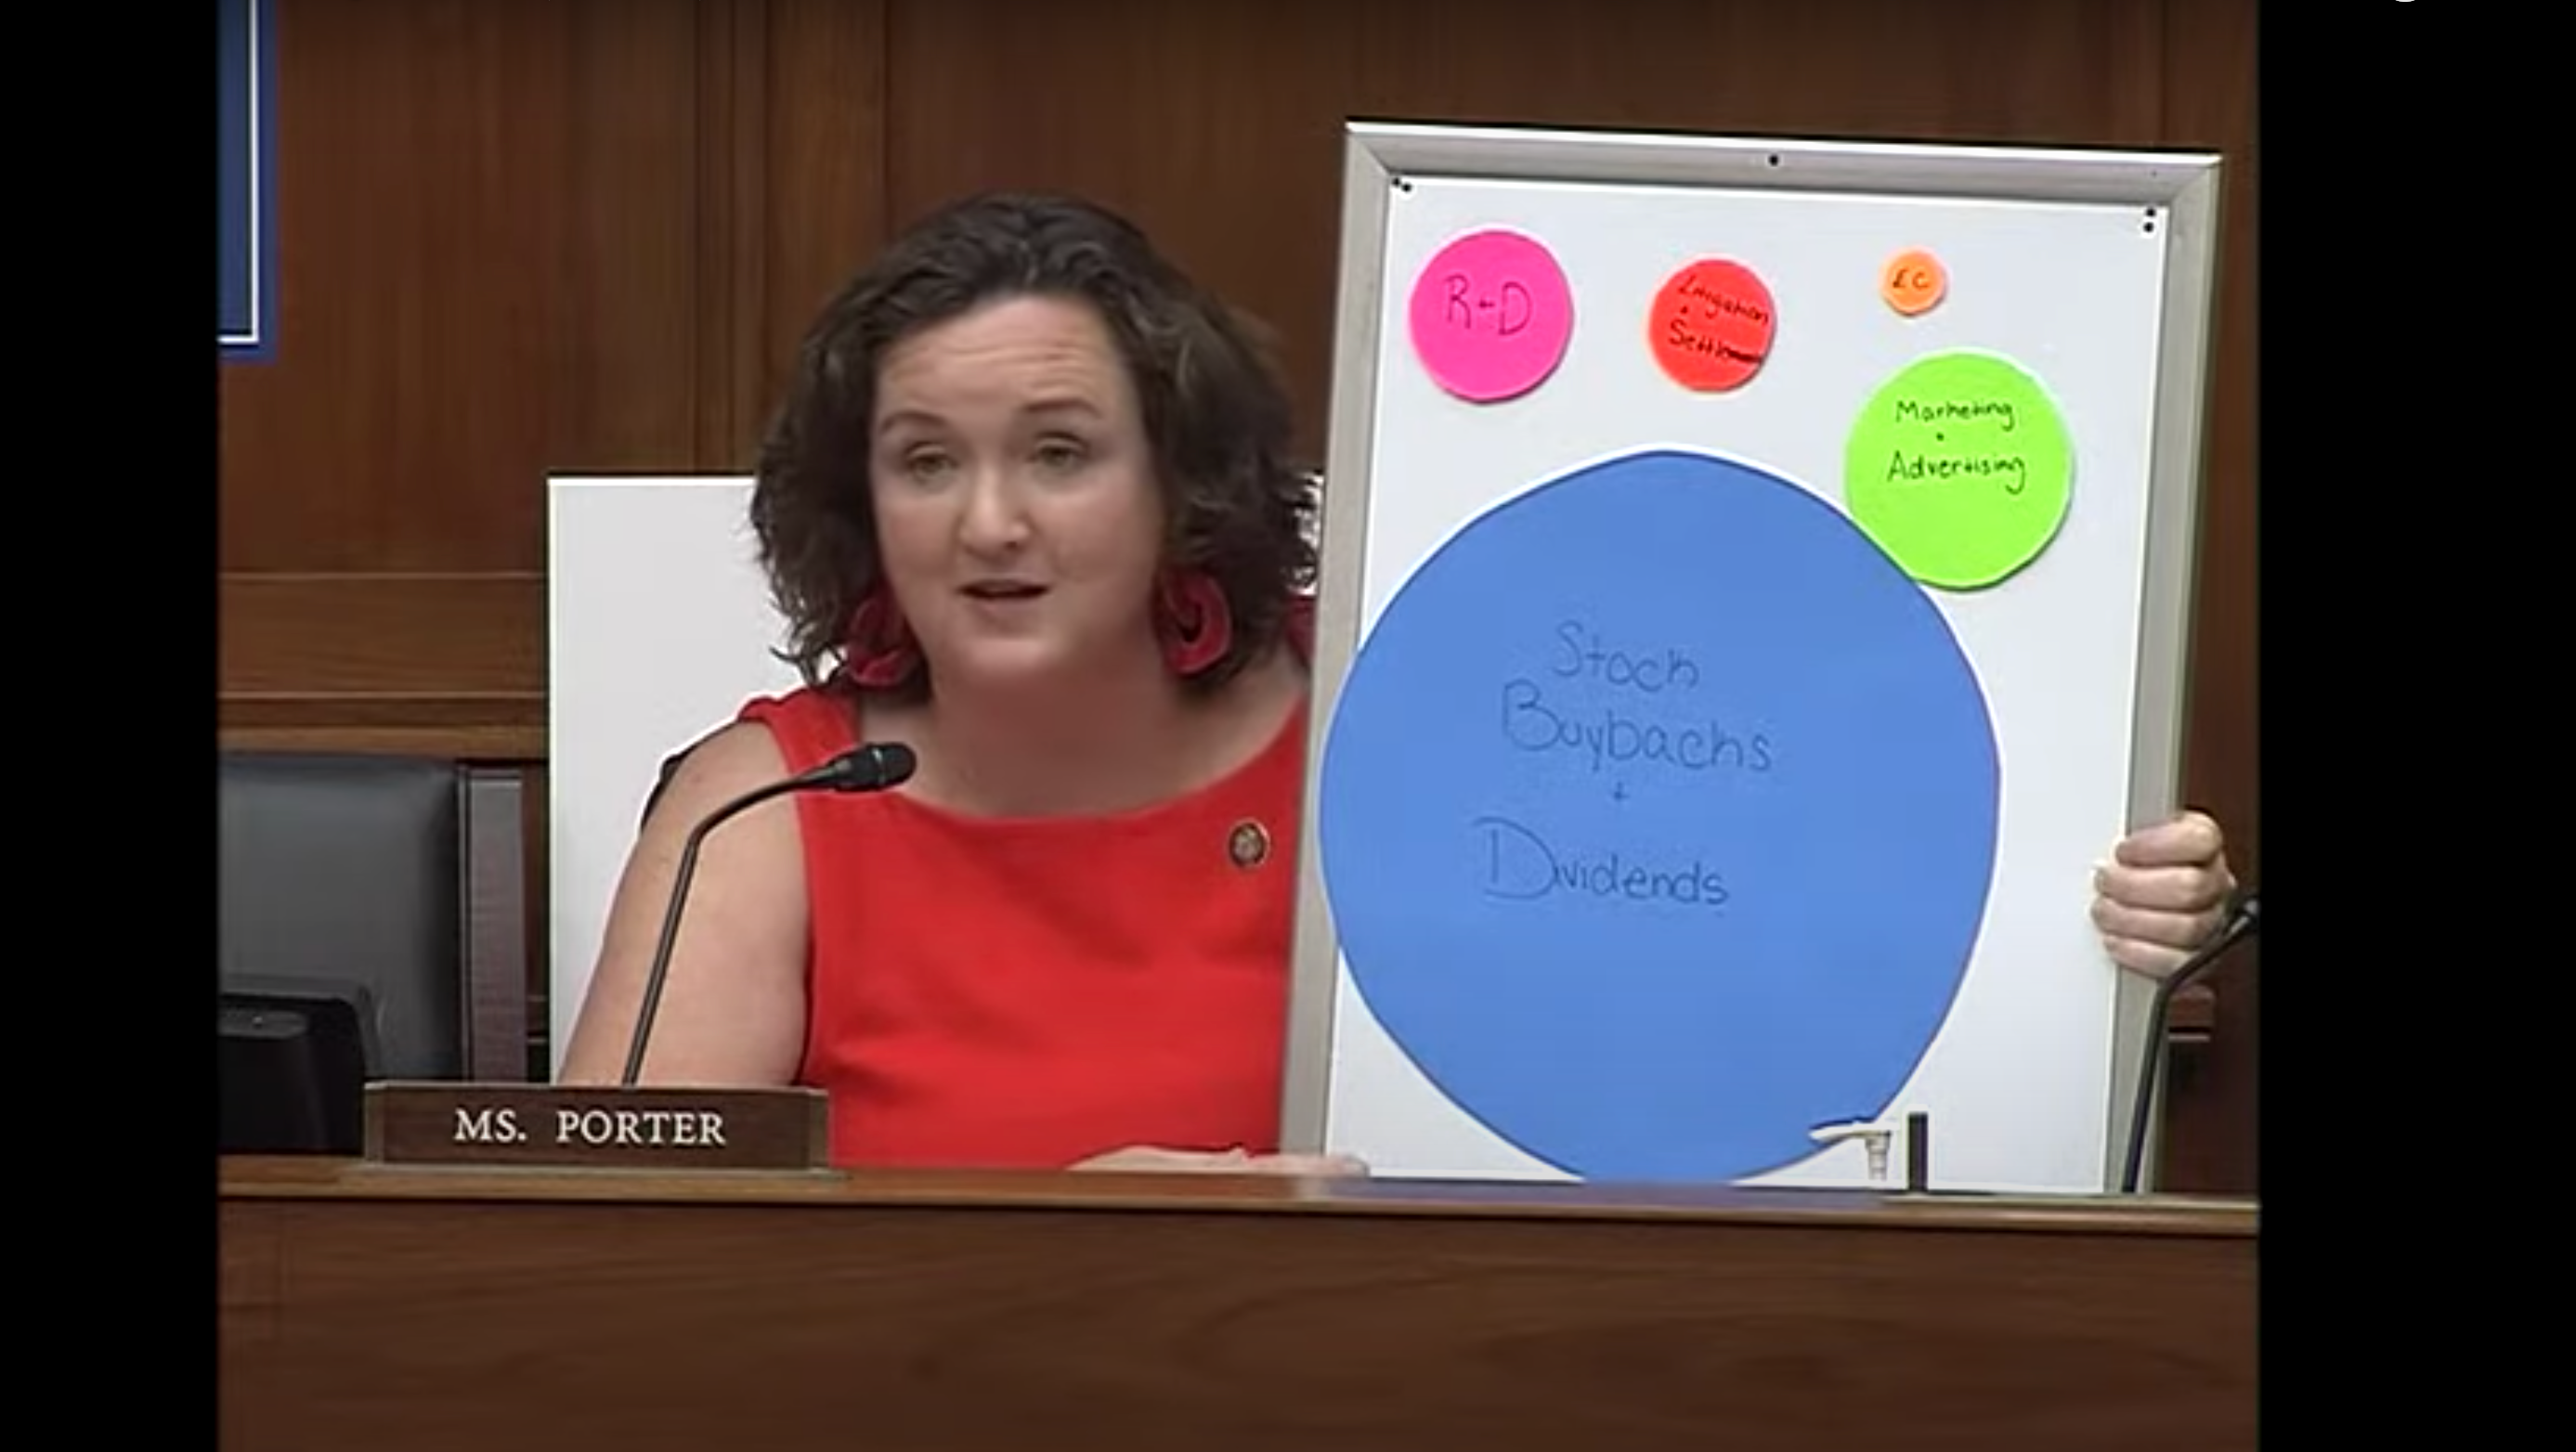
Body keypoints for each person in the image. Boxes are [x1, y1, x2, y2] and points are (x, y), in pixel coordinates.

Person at [554, 192, 2240, 1174]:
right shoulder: (769, 804)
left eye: (1060, 454)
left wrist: (2105, 938)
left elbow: (1768, 915)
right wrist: (1050, 1242)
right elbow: (610, 1280)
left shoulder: (1424, 710)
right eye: (925, 462)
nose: (988, 522)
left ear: (1178, 485)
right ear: (863, 504)